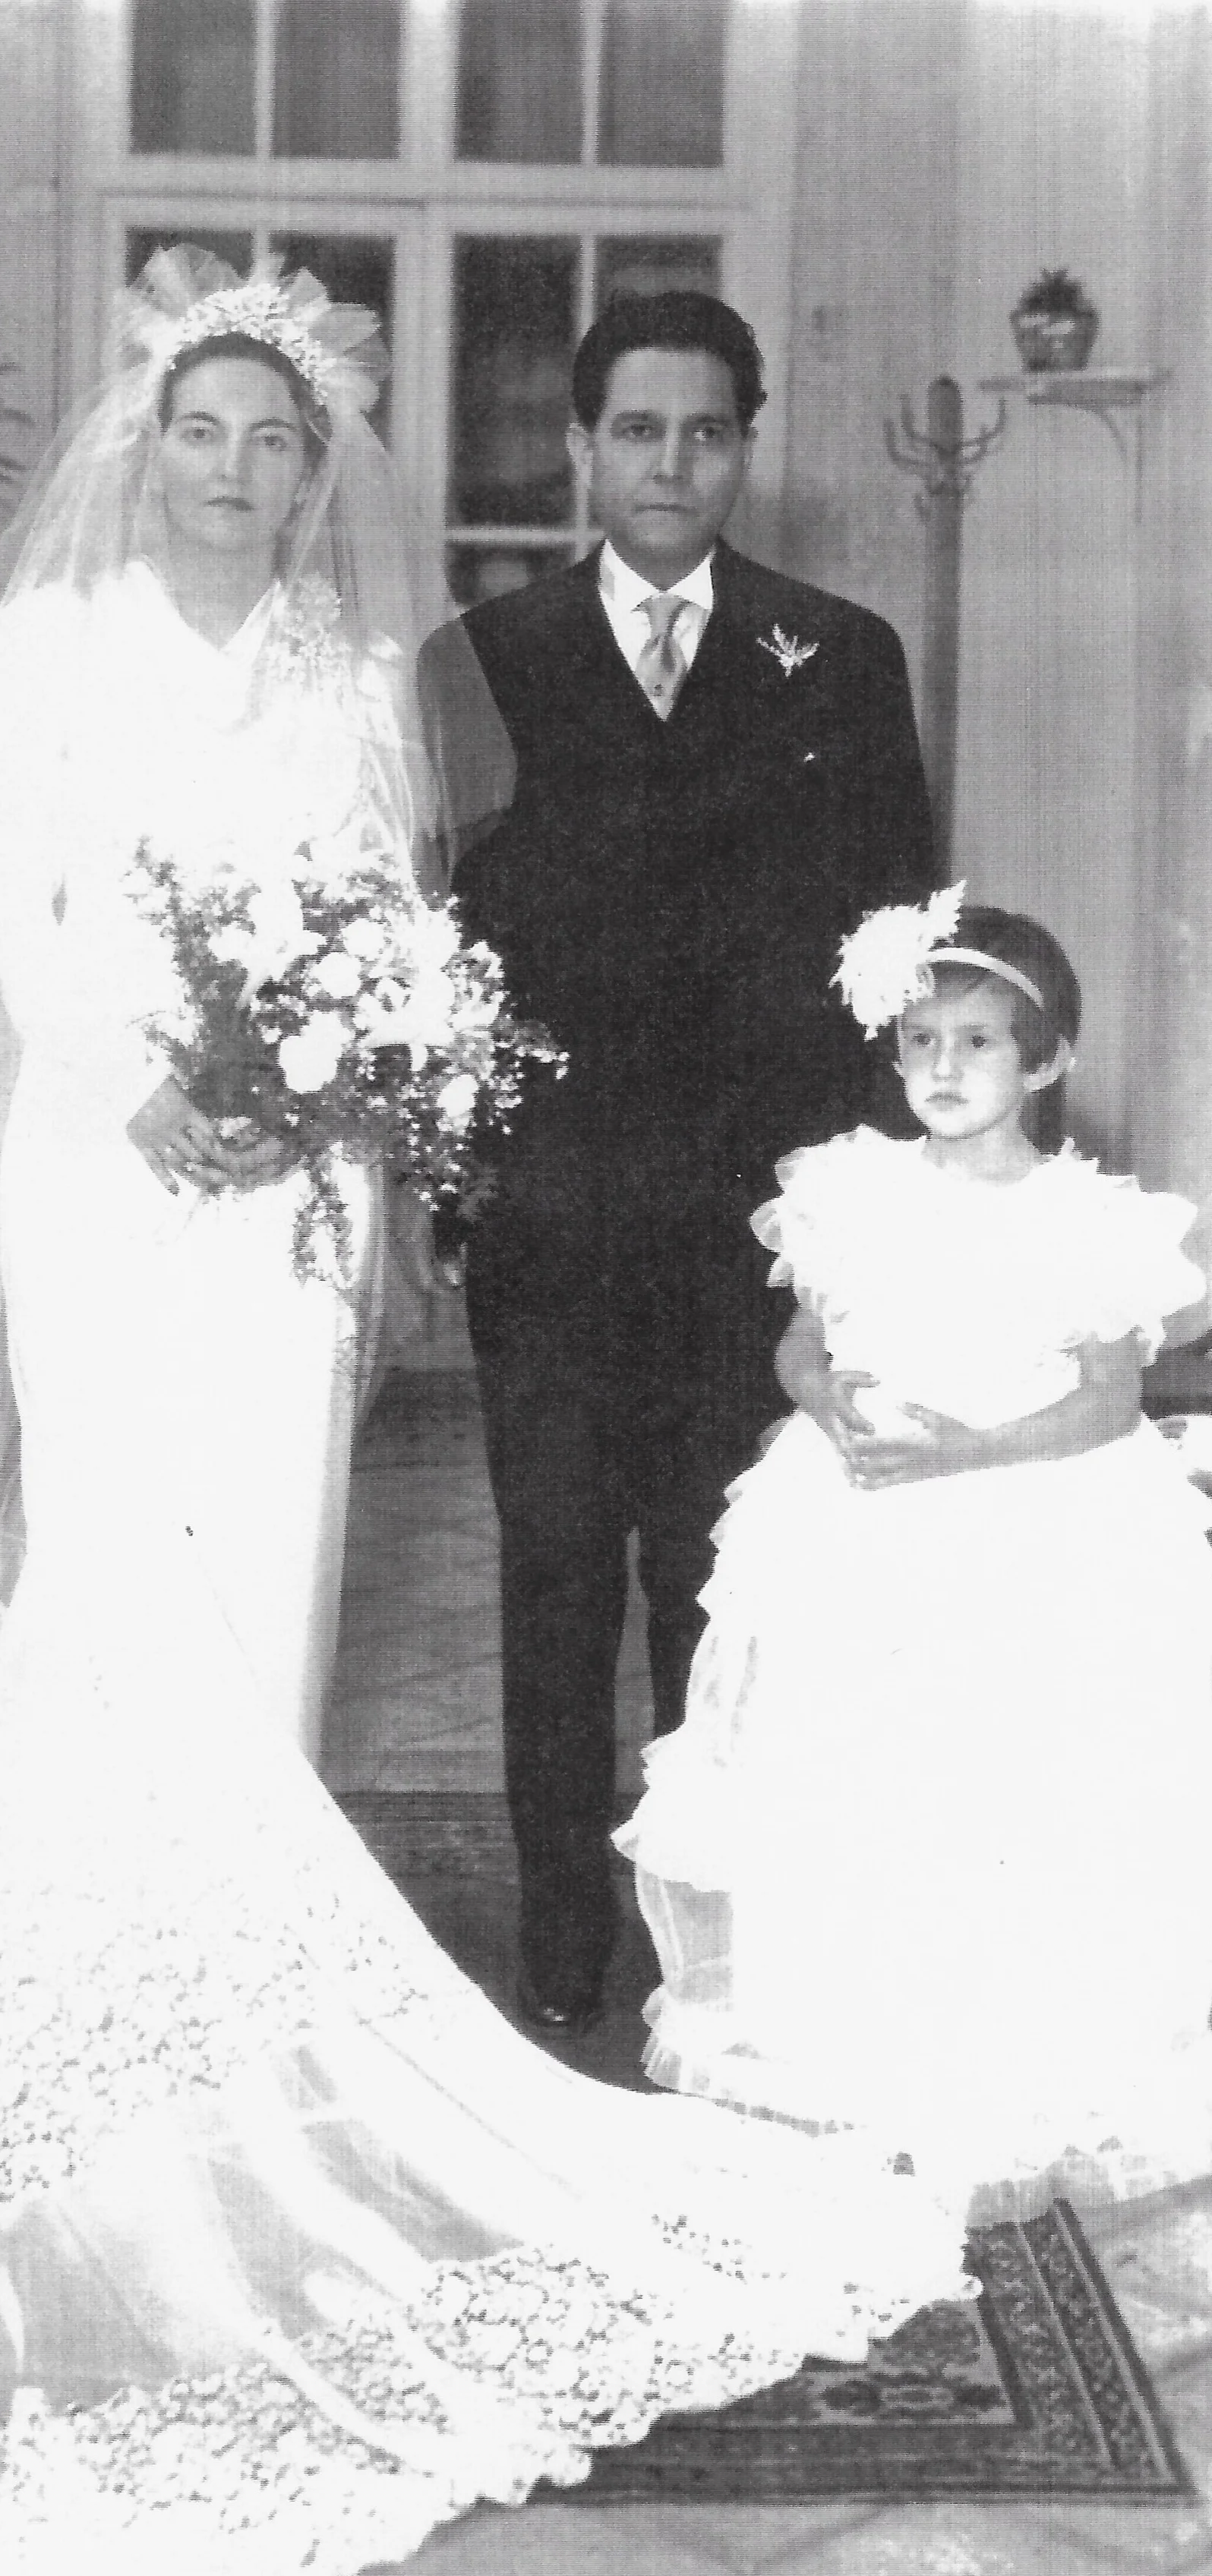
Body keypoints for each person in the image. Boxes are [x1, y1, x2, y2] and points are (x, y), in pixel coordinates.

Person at [0, 254, 967, 2571]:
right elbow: (12, 913)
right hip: (101, 1171)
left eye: (285, 447)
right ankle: (78, 1967)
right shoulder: (43, 657)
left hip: (289, 1194)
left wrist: (346, 1149)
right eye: (210, 434)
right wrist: (151, 1076)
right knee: (119, 1554)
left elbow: (390, 926)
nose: (247, 474)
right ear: (144, 440)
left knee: (270, 1561)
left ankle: (245, 1995)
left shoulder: (358, 681)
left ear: (319, 479)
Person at [438, 288, 938, 2035]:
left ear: (745, 445)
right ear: (578, 448)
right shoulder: (475, 660)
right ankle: (564, 1940)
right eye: (635, 429)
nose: (670, 462)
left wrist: (857, 1234)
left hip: (748, 1227)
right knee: (554, 1580)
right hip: (553, 1224)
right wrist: (461, 1184)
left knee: (718, 1594)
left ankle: (699, 1948)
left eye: (705, 430)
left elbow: (891, 957)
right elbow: (432, 949)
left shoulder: (838, 653)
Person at [620, 893, 1212, 2221]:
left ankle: (1008, 2044)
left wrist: (955, 1459)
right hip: (859, 1508)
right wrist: (829, 1408)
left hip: (1027, 1506)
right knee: (848, 1758)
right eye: (922, 1044)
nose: (943, 1071)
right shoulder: (850, 1187)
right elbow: (804, 1346)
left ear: (1045, 1063)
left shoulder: (1094, 1221)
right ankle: (851, 2029)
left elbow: (1110, 1403)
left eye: (980, 1045)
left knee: (1005, 1776)